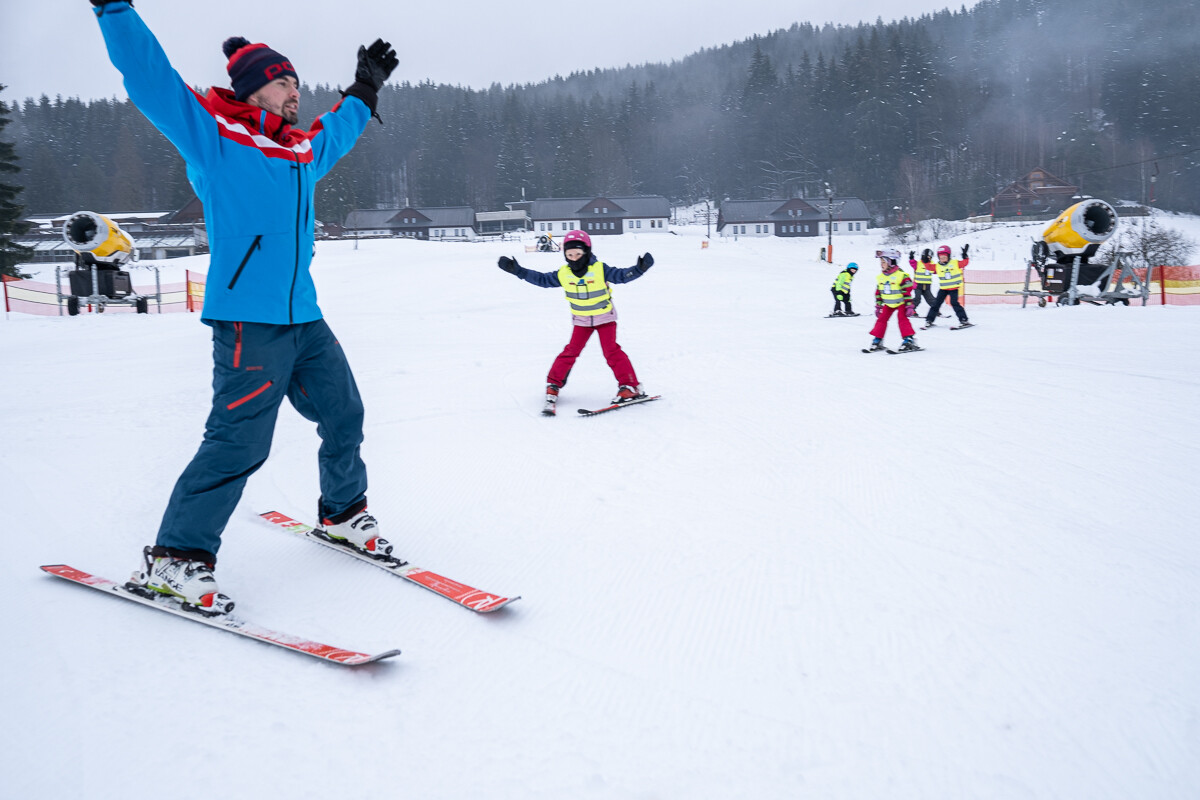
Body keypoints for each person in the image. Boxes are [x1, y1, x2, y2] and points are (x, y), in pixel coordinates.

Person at [89, 0, 399, 613]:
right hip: (247, 322)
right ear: (256, 87)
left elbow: (336, 128)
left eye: (298, 85)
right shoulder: (215, 141)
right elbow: (151, 79)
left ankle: (342, 514)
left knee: (344, 414)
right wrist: (114, 11)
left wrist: (364, 88)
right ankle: (177, 559)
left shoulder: (300, 152)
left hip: (304, 318)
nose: (295, 94)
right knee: (239, 441)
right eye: (285, 83)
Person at [497, 230, 653, 412]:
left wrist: (639, 269)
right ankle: (553, 385)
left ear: (587, 252)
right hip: (581, 321)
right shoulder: (564, 274)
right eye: (569, 255)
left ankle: (630, 387)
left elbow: (621, 276)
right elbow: (542, 279)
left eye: (578, 254)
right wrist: (518, 271)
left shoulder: (600, 269)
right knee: (570, 352)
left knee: (611, 351)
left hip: (605, 319)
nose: (574, 258)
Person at [865, 248, 919, 352]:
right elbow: (879, 293)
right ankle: (878, 340)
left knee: (902, 319)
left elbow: (907, 292)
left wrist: (909, 306)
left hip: (901, 303)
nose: (881, 264)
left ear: (892, 262)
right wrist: (878, 306)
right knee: (881, 320)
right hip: (889, 304)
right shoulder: (881, 277)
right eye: (881, 262)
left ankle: (909, 340)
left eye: (884, 262)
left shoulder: (902, 275)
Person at [923, 244, 970, 328]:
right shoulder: (937, 266)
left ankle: (964, 320)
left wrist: (965, 256)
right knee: (936, 304)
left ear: (948, 256)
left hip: (953, 288)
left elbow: (964, 263)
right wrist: (925, 261)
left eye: (944, 257)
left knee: (954, 303)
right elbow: (929, 267)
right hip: (943, 289)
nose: (942, 259)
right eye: (940, 257)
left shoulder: (955, 263)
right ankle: (929, 320)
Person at [908, 249, 938, 317]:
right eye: (925, 256)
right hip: (918, 285)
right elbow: (912, 263)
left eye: (929, 257)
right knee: (917, 299)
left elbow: (936, 271)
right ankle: (911, 310)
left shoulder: (932, 264)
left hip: (927, 286)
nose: (927, 258)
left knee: (931, 299)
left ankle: (935, 310)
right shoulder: (918, 264)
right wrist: (911, 258)